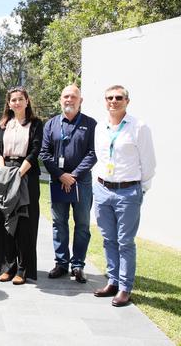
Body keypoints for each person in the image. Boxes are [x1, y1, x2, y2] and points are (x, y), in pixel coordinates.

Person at [92, 85, 155, 307]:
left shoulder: (139, 127)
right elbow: (100, 157)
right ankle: (113, 280)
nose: (114, 101)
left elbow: (148, 163)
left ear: (127, 101)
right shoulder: (101, 127)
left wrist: (141, 189)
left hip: (128, 191)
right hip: (103, 189)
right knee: (108, 239)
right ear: (105, 101)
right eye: (109, 97)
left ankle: (125, 288)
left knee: (125, 241)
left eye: (119, 98)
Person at [40, 85, 97, 283]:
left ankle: (78, 265)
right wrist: (61, 175)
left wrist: (72, 176)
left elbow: (93, 153)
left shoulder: (90, 124)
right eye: (66, 96)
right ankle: (61, 263)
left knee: (82, 224)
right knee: (59, 224)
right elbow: (44, 154)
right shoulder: (51, 124)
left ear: (81, 100)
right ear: (60, 99)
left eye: (74, 96)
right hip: (57, 181)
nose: (69, 100)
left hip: (81, 182)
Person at [0, 87, 43, 285]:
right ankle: (8, 266)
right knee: (5, 223)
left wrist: (19, 174)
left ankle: (23, 269)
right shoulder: (4, 124)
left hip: (26, 175)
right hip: (6, 173)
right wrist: (5, 172)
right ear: (9, 103)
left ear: (27, 101)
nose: (16, 103)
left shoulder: (36, 124)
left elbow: (35, 150)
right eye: (13, 100)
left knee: (24, 224)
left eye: (20, 99)